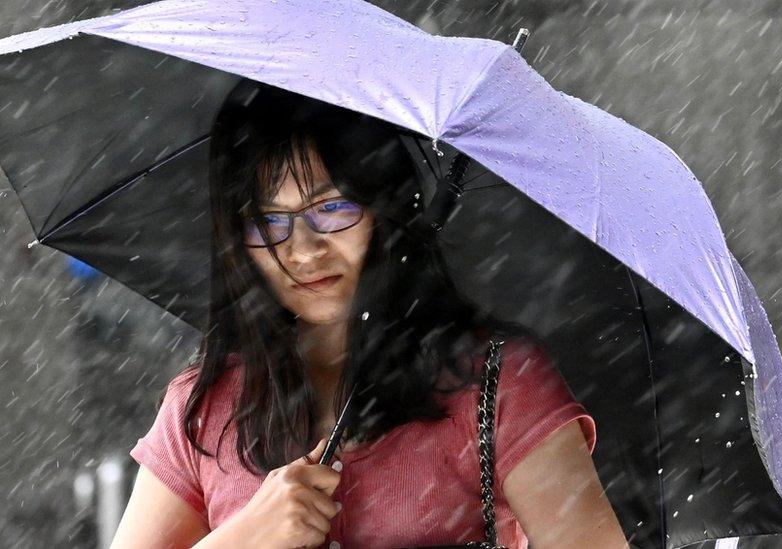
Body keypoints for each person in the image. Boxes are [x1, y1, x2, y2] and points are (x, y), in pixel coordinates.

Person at [110, 81, 629, 549]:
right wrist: (244, 539)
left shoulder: (498, 383)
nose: (303, 249)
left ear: (385, 210)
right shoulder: (202, 409)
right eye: (268, 220)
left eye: (332, 207)